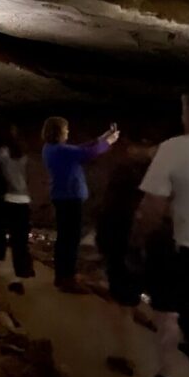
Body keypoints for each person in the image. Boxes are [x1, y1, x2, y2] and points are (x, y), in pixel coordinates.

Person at [137, 94, 189, 377]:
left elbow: (152, 207)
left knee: (168, 314)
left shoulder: (174, 149)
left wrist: (143, 240)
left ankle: (166, 376)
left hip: (182, 251)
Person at [95, 141, 156, 377]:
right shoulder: (153, 196)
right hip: (148, 252)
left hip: (123, 249)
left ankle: (124, 355)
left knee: (120, 305)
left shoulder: (118, 199)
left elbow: (107, 227)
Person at [41, 116, 119, 293]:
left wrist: (102, 137)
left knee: (65, 238)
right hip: (69, 199)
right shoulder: (60, 150)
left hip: (62, 197)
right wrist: (109, 142)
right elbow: (87, 153)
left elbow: (80, 148)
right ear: (58, 131)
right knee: (70, 240)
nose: (68, 132)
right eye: (65, 129)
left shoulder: (51, 149)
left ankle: (62, 276)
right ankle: (67, 278)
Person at [0, 124, 34, 294]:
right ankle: (18, 278)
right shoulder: (22, 152)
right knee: (20, 241)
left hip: (2, 200)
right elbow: (27, 176)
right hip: (23, 200)